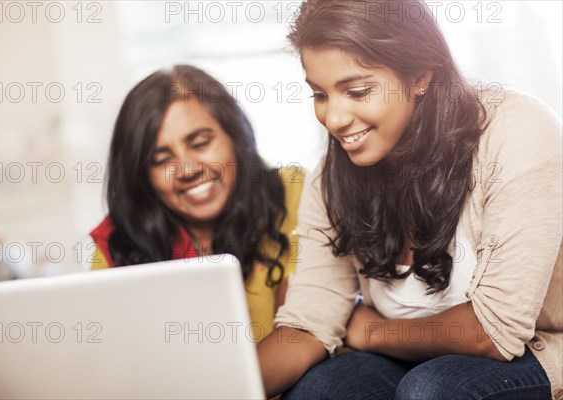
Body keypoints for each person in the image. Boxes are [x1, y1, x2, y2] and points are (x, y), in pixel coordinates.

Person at [257, 0, 562, 399]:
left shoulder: (516, 131)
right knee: (321, 389)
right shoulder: (332, 178)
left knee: (431, 389)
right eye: (319, 94)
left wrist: (371, 331)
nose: (333, 119)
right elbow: (308, 323)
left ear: (420, 75)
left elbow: (494, 332)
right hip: (410, 362)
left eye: (357, 91)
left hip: (531, 352)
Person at [87, 65, 304, 340]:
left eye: (200, 143)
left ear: (235, 136)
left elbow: (303, 331)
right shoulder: (118, 241)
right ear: (142, 176)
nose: (188, 169)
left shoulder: (288, 191)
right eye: (162, 160)